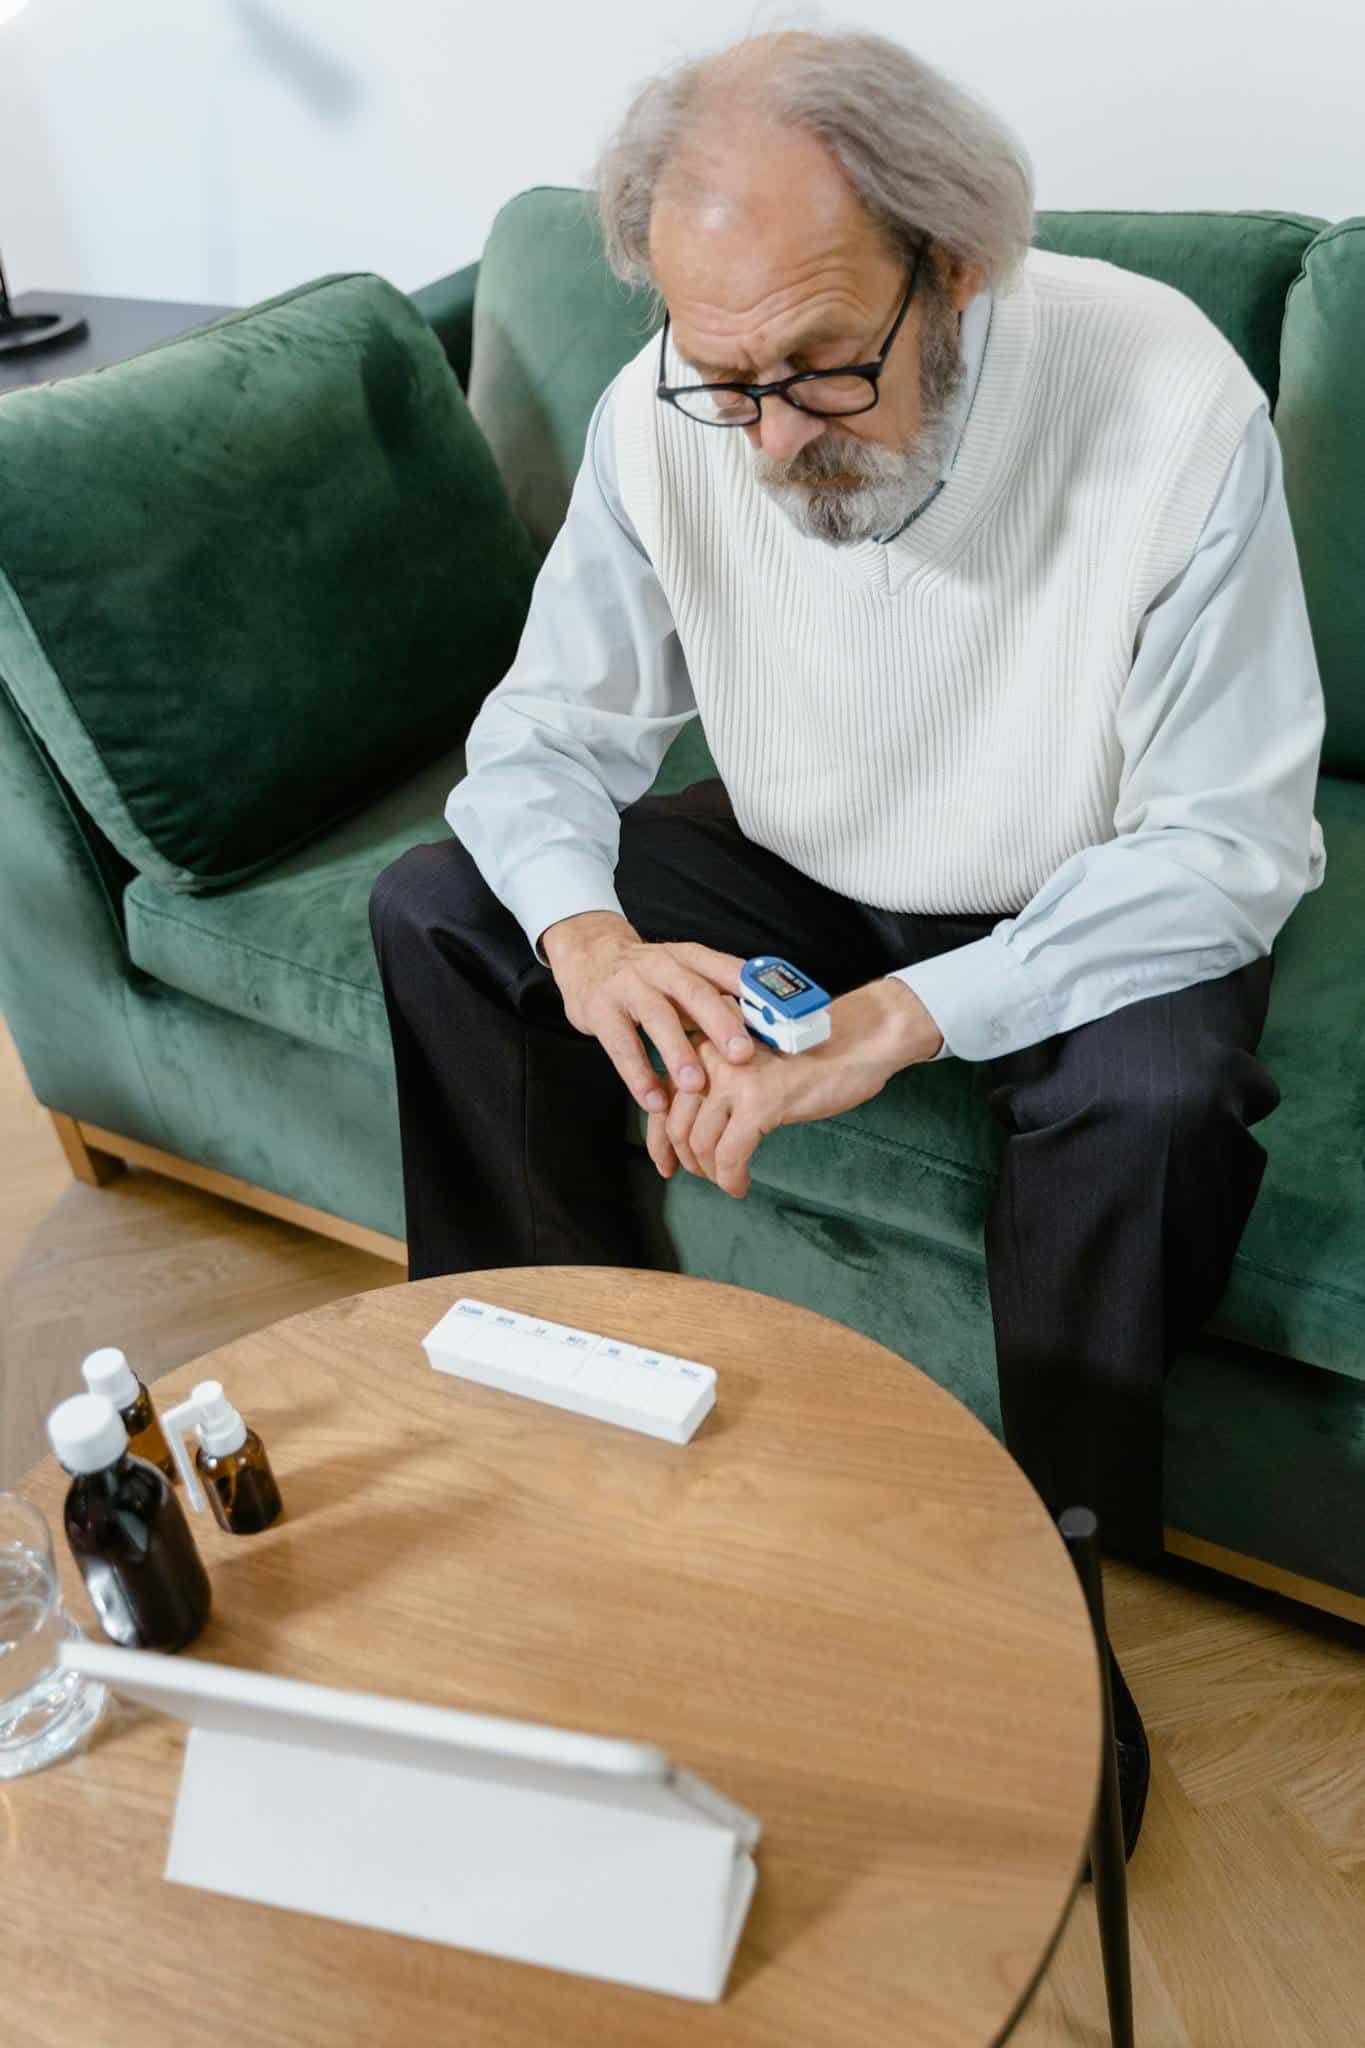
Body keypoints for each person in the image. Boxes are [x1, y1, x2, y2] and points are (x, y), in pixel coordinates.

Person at [370, 28, 1327, 1858]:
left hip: (1099, 869)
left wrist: (905, 1016)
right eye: (726, 381)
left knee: (1152, 1093)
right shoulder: (682, 401)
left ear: (951, 266)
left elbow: (1229, 844)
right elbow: (547, 739)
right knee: (446, 908)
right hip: (808, 840)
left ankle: (1054, 1614)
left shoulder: (1165, 397)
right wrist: (585, 937)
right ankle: (568, 1412)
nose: (773, 434)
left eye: (821, 366)